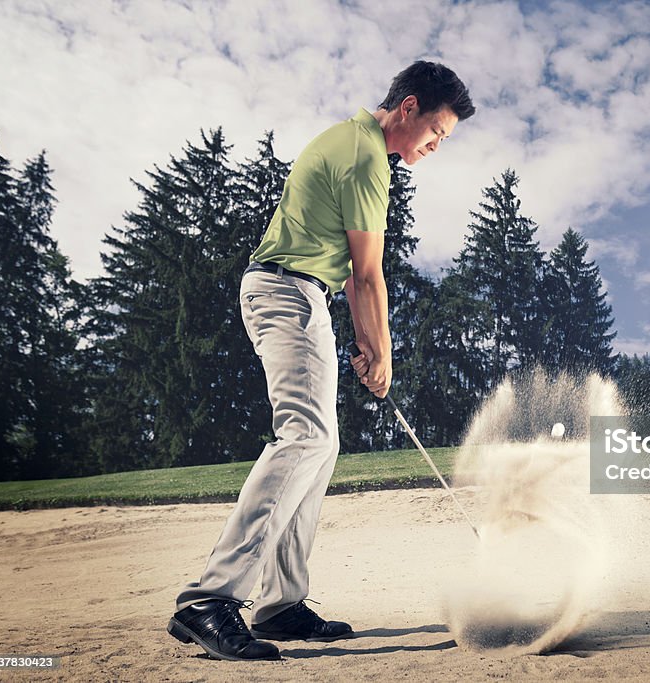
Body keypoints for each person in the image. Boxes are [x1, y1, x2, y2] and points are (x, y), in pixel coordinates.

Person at [166, 61, 475, 662]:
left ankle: (281, 603)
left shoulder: (353, 142)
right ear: (407, 108)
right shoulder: (365, 156)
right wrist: (380, 355)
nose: (437, 146)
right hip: (289, 291)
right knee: (305, 436)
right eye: (437, 131)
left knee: (320, 442)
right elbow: (366, 275)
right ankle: (211, 598)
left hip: (296, 292)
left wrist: (365, 342)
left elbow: (354, 277)